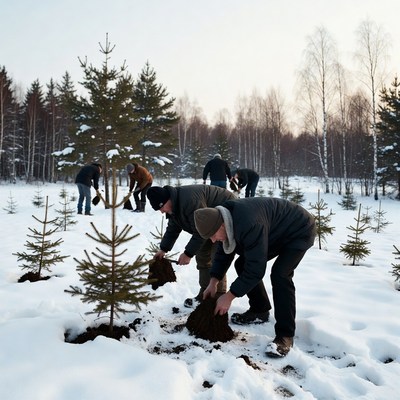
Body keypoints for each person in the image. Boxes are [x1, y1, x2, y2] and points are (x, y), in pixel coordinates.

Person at [194, 197, 316, 358]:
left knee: (281, 274)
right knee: (242, 264)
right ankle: (260, 310)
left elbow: (256, 270)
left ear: (222, 225)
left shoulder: (249, 224)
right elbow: (225, 252)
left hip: (299, 229)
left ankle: (285, 335)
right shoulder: (223, 217)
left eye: (214, 235)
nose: (213, 240)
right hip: (274, 230)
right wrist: (213, 281)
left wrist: (230, 296)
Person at [146, 184, 235, 307]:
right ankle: (205, 293)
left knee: (217, 258)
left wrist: (188, 253)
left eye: (161, 207)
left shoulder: (190, 201)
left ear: (167, 200)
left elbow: (199, 231)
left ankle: (217, 295)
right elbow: (173, 228)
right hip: (208, 224)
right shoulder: (174, 206)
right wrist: (163, 249)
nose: (161, 212)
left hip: (225, 218)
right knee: (202, 256)